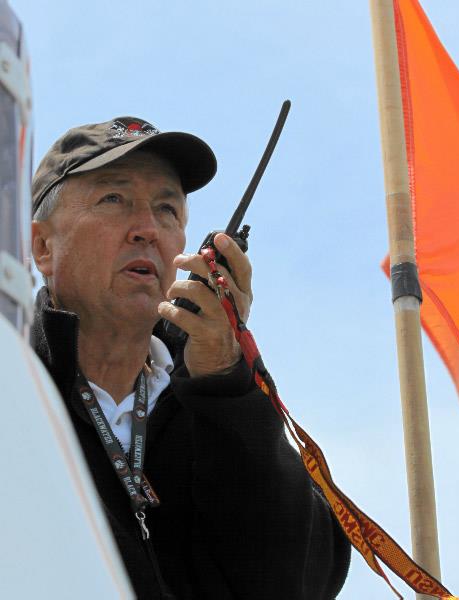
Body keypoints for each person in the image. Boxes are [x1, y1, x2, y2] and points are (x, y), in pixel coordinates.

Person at [31, 116, 350, 599]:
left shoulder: (217, 396)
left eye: (167, 210)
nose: (146, 230)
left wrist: (226, 385)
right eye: (113, 199)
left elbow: (297, 582)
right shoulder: (15, 387)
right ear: (42, 246)